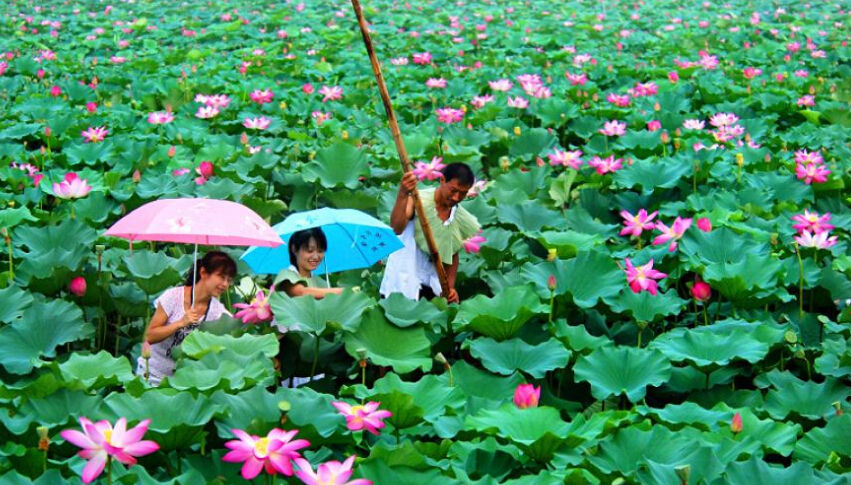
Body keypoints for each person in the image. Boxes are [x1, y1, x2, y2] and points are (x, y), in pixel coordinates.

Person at [380, 162, 480, 303]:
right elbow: (397, 228)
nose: (457, 197)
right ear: (442, 180)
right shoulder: (417, 200)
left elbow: (453, 254)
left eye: (463, 193)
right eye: (453, 190)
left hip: (432, 287)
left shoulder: (459, 217)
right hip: (403, 281)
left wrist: (450, 289)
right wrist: (402, 193)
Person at [136, 251, 236, 386]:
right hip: (152, 374)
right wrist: (180, 323)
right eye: (221, 277)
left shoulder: (217, 312)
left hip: (184, 382)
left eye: (228, 280)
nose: (225, 284)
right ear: (203, 273)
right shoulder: (173, 297)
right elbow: (150, 336)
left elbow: (235, 335)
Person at [274, 227, 343, 299]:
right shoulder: (286, 275)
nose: (316, 257)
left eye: (320, 251)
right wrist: (342, 291)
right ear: (294, 249)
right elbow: (302, 292)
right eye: (310, 251)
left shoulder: (321, 282)